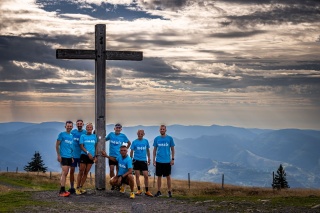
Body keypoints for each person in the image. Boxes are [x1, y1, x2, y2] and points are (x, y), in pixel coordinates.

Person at [105, 123, 131, 190]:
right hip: (111, 155)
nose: (118, 129)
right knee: (111, 170)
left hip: (119, 156)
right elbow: (104, 140)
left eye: (119, 128)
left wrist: (125, 150)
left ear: (121, 129)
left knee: (118, 170)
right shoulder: (111, 134)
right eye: (117, 128)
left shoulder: (123, 136)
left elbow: (129, 143)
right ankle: (113, 183)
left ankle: (118, 184)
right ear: (114, 128)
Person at [153, 125, 175, 198]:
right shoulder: (156, 139)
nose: (162, 130)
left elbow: (172, 149)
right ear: (159, 130)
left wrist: (172, 159)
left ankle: (169, 191)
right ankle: (159, 191)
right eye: (161, 129)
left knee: (168, 176)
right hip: (159, 160)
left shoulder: (170, 138)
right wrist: (154, 160)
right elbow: (154, 150)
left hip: (167, 161)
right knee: (159, 177)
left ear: (165, 130)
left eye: (163, 129)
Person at [76, 122, 98, 195]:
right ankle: (77, 187)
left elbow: (96, 146)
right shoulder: (83, 136)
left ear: (92, 128)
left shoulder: (94, 136)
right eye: (88, 127)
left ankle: (81, 187)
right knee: (81, 171)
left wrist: (96, 156)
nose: (89, 128)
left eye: (90, 127)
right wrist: (88, 153)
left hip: (92, 157)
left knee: (86, 172)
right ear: (86, 128)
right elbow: (81, 146)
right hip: (84, 155)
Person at [130, 129, 153, 197]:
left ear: (144, 134)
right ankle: (139, 190)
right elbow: (131, 151)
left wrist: (149, 158)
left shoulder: (146, 141)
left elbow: (148, 150)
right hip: (136, 160)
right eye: (139, 133)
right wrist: (130, 160)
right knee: (137, 176)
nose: (140, 134)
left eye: (141, 133)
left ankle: (147, 191)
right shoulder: (134, 142)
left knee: (146, 175)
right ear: (137, 133)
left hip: (143, 160)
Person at [55, 120, 74, 197]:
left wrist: (72, 157)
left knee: (65, 173)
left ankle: (63, 189)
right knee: (64, 172)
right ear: (65, 126)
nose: (69, 127)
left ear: (72, 127)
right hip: (63, 156)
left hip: (69, 157)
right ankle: (61, 191)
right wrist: (58, 155)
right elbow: (57, 145)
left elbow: (71, 147)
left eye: (70, 126)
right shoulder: (62, 134)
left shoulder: (71, 136)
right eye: (68, 126)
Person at [69, 119, 86, 194]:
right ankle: (72, 187)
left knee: (81, 171)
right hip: (73, 155)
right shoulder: (73, 132)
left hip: (82, 155)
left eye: (80, 124)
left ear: (83, 124)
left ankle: (78, 187)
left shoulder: (85, 132)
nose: (79, 125)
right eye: (78, 124)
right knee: (72, 170)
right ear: (76, 125)